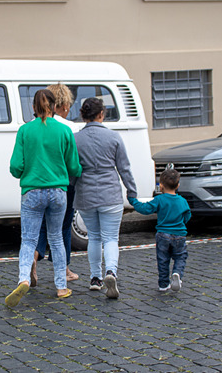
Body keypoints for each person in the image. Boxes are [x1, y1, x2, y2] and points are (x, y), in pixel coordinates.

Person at [6, 89, 81, 307]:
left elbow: (15, 167)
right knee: (56, 239)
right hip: (58, 191)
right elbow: (74, 166)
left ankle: (23, 279)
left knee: (28, 239)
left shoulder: (25, 131)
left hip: (32, 191)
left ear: (33, 107)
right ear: (55, 106)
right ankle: (61, 287)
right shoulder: (64, 130)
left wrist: (25, 173)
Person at [74, 97, 137, 299]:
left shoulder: (75, 139)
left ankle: (95, 278)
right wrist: (132, 191)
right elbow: (124, 168)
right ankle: (111, 271)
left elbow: (73, 171)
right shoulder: (114, 138)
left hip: (86, 195)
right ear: (102, 114)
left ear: (83, 115)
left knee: (94, 236)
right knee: (111, 238)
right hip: (110, 194)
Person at [30, 83, 79, 287]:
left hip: (36, 184)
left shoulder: (30, 126)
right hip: (63, 185)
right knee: (62, 229)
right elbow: (74, 162)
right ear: (64, 105)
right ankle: (64, 271)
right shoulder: (69, 128)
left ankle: (35, 255)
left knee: (41, 227)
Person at [128, 169, 191, 292]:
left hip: (163, 234)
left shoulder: (160, 200)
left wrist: (132, 200)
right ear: (178, 185)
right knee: (180, 256)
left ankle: (163, 284)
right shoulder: (182, 201)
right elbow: (187, 215)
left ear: (161, 185)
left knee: (163, 259)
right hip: (179, 234)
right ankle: (177, 273)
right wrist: (181, 223)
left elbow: (145, 209)